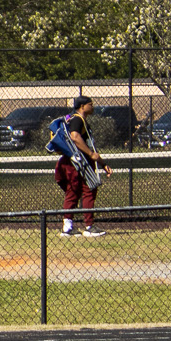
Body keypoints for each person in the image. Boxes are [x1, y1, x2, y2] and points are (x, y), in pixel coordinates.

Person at [54, 95, 112, 237]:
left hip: (77, 162)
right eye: (90, 104)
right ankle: (87, 227)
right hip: (78, 162)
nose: (92, 106)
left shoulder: (77, 120)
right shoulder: (77, 119)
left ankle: (69, 228)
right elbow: (75, 137)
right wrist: (90, 154)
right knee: (85, 190)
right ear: (82, 106)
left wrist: (103, 164)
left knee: (75, 191)